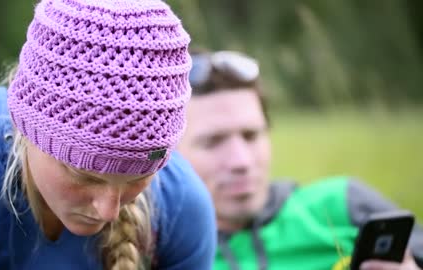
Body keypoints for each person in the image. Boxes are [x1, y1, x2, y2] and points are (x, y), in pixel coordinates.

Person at [0, 1, 217, 269]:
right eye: (85, 176)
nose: (108, 211)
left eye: (139, 177)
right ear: (28, 128)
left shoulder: (181, 205)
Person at [177, 50, 423, 270]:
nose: (241, 161)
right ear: (169, 157)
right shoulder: (162, 254)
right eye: (213, 142)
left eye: (251, 136)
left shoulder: (343, 205)